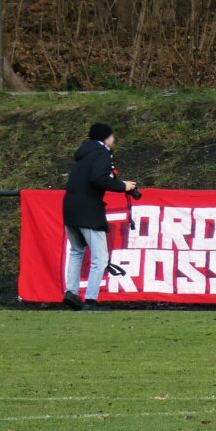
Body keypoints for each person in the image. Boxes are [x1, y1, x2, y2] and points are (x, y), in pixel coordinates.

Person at [62, 122, 136, 310]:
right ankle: (91, 300)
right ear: (105, 137)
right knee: (100, 258)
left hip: (70, 207)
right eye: (112, 136)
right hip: (89, 209)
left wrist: (119, 183)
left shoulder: (83, 155)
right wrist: (123, 186)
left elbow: (90, 177)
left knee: (77, 251)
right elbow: (98, 178)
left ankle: (71, 292)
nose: (114, 140)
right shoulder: (102, 153)